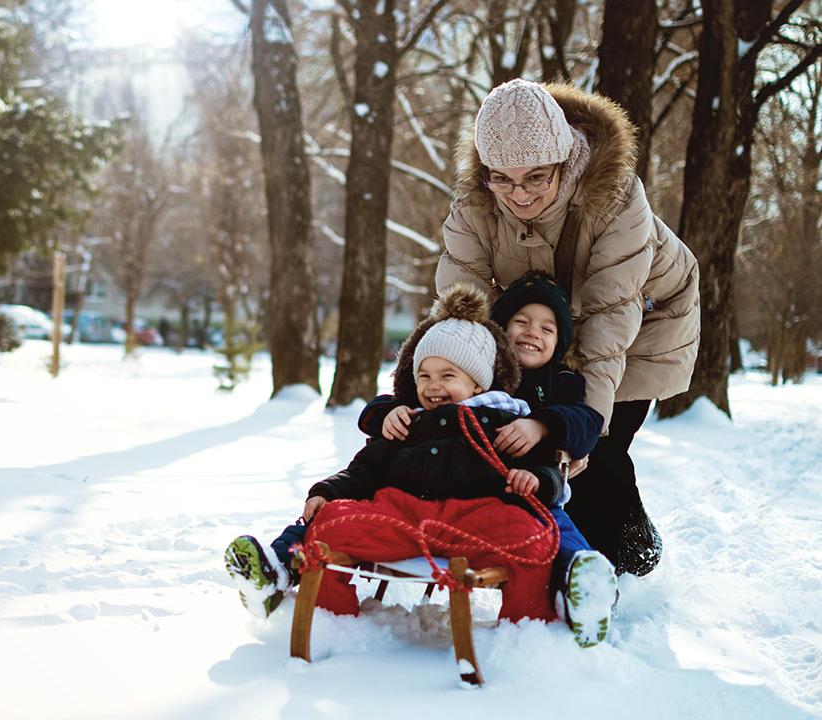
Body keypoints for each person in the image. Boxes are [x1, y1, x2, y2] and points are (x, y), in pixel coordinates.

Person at [225, 283, 617, 647]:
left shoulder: (507, 415)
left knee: (540, 533)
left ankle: (536, 628)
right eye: (425, 376)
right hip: (405, 517)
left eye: (448, 376)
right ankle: (332, 624)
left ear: (480, 384)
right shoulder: (410, 419)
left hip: (480, 518)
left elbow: (558, 449)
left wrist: (536, 476)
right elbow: (365, 468)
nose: (434, 385)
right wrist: (329, 489)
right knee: (331, 519)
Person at [436, 78, 700, 575]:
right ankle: (549, 552)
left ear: (564, 163)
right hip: (555, 320)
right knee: (529, 437)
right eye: (503, 179)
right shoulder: (473, 206)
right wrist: (440, 388)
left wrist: (578, 431)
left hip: (645, 316)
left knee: (594, 444)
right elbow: (461, 312)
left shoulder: (615, 199)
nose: (519, 194)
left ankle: (627, 558)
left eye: (536, 177)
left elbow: (608, 319)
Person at [359, 272, 614, 645]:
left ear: (559, 343)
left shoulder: (560, 380)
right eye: (521, 322)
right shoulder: (473, 369)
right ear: (500, 330)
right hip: (467, 488)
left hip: (528, 483)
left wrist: (541, 425)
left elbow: (587, 422)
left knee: (555, 526)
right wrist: (387, 412)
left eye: (547, 328)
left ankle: (583, 587)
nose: (532, 333)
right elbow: (418, 397)